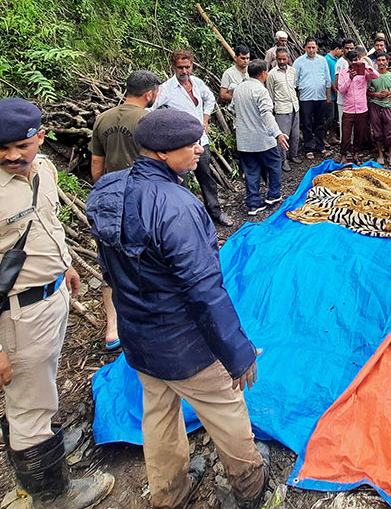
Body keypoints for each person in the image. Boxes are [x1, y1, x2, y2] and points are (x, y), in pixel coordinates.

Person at [0, 98, 113, 508]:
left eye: (21, 145)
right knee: (30, 404)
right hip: (17, 314)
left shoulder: (43, 170)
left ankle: (41, 448)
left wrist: (63, 266)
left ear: (40, 137)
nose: (12, 156)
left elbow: (44, 225)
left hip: (50, 298)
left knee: (37, 390)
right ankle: (54, 495)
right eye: (0, 149)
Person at [86, 109, 268, 509]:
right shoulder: (177, 206)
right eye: (193, 145)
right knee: (225, 409)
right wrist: (237, 354)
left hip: (138, 335)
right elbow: (203, 289)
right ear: (165, 154)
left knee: (159, 413)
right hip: (184, 341)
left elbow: (110, 268)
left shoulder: (106, 191)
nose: (201, 150)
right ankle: (249, 484)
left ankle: (169, 493)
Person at [90, 70, 160, 350]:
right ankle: (150, 314)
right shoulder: (148, 121)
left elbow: (97, 164)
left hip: (110, 197)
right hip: (143, 197)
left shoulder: (103, 119)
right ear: (149, 94)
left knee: (111, 262)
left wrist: (104, 192)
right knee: (150, 255)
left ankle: (112, 327)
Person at [153, 50, 231, 227]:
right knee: (181, 182)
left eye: (187, 67)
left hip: (200, 141)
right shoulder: (167, 89)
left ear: (192, 66)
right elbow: (150, 109)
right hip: (180, 145)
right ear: (173, 67)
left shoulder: (197, 83)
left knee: (206, 178)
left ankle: (215, 212)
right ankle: (186, 220)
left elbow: (210, 98)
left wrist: (205, 117)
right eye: (180, 67)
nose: (184, 71)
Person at [233, 60, 288, 217]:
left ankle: (253, 203)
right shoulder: (260, 90)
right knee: (275, 163)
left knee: (251, 171)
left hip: (244, 140)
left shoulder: (239, 89)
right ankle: (274, 194)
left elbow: (232, 108)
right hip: (262, 139)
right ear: (264, 73)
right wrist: (277, 133)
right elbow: (266, 114)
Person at [336, 45, 379, 163]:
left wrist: (367, 67)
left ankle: (356, 155)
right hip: (348, 109)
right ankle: (343, 156)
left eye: (357, 59)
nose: (356, 62)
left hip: (361, 108)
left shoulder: (364, 72)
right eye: (353, 60)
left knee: (359, 134)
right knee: (346, 134)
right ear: (349, 62)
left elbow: (376, 75)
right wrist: (350, 78)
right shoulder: (344, 73)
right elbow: (341, 89)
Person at [293, 37, 330, 161]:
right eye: (309, 47)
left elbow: (327, 78)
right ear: (305, 48)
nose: (311, 50)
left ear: (317, 48)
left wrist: (328, 96)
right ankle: (308, 148)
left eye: (313, 47)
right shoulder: (299, 62)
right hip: (305, 98)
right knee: (307, 124)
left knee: (320, 123)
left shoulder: (322, 60)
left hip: (321, 96)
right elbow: (295, 81)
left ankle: (320, 146)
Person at [265, 48, 299, 172]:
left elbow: (294, 87)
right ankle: (283, 160)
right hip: (281, 108)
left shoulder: (293, 71)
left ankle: (293, 155)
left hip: (294, 106)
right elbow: (270, 93)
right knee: (283, 136)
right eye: (279, 59)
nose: (282, 61)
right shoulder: (272, 74)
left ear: (288, 58)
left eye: (284, 59)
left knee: (295, 134)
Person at [367, 52, 391, 165]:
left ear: (387, 61)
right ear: (376, 62)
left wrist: (389, 93)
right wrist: (376, 94)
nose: (381, 63)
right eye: (379, 60)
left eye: (383, 60)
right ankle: (380, 154)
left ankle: (390, 154)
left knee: (389, 130)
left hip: (388, 106)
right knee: (377, 131)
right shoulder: (372, 76)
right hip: (375, 105)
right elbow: (367, 92)